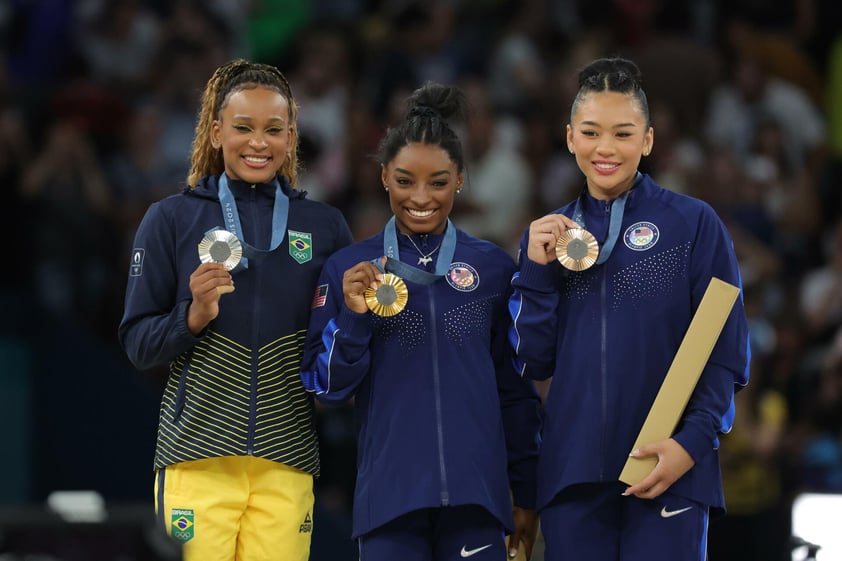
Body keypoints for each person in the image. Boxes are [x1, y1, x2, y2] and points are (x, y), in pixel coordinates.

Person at [507, 57, 750, 560]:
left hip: (670, 469)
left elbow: (723, 350)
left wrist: (691, 444)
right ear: (570, 137)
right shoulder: (548, 237)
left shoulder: (693, 224)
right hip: (573, 477)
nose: (606, 149)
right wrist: (533, 271)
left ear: (648, 140)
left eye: (623, 133)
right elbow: (533, 360)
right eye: (592, 132)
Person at [118, 58, 354, 561]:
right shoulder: (170, 219)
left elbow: (336, 347)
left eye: (273, 130)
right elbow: (138, 344)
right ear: (215, 130)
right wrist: (193, 315)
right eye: (243, 128)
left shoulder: (325, 227)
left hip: (287, 459)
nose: (257, 143)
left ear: (291, 138)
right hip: (197, 458)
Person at [300, 81, 542, 561]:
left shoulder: (493, 268)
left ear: (460, 179)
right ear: (385, 176)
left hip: (477, 497)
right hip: (390, 500)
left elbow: (515, 390)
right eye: (406, 180)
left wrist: (527, 492)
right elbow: (327, 389)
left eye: (438, 181)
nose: (421, 198)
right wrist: (353, 317)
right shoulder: (349, 269)